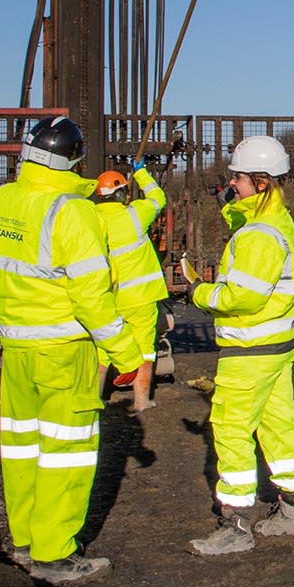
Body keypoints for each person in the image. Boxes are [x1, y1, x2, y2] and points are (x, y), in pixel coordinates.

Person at [0, 115, 143, 583]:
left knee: (22, 446)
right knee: (66, 451)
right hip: (65, 351)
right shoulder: (72, 213)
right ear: (72, 158)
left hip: (17, 348)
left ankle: (26, 540)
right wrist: (127, 355)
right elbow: (93, 297)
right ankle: (54, 553)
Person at [184, 134, 294, 555]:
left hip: (249, 350)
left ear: (261, 181)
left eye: (237, 178)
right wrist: (231, 205)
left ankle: (234, 525)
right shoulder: (276, 222)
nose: (232, 183)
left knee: (231, 428)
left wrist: (199, 293)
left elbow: (242, 296)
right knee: (278, 424)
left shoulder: (258, 236)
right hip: (276, 345)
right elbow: (250, 227)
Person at [91, 164, 169, 410]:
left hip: (107, 297)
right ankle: (141, 400)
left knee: (103, 349)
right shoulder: (135, 214)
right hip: (141, 297)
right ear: (122, 194)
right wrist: (141, 173)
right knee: (145, 348)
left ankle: (95, 400)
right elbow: (158, 198)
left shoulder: (90, 220)